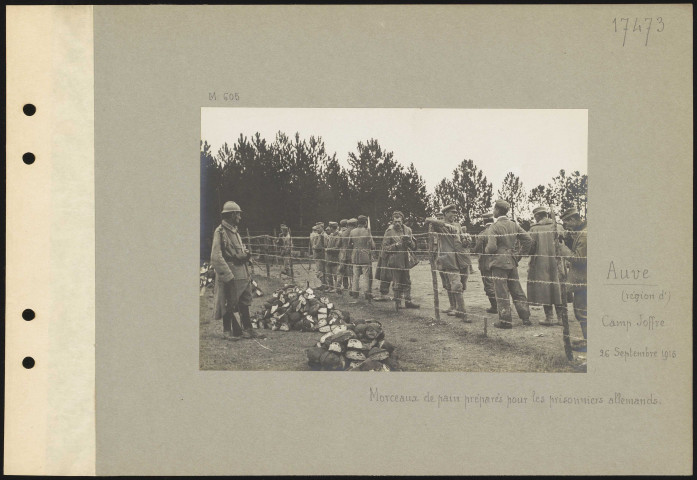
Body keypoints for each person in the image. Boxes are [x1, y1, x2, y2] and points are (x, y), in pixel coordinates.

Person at [210, 201, 262, 340]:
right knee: (229, 301)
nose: (240, 217)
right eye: (238, 214)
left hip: (243, 273)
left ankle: (248, 329)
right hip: (231, 273)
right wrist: (227, 275)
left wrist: (245, 254)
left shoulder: (234, 230)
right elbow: (215, 256)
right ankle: (227, 331)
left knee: (244, 301)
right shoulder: (220, 231)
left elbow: (238, 250)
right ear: (232, 214)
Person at [485, 199, 532, 329]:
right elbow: (528, 239)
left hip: (499, 263)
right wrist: (519, 255)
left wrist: (486, 251)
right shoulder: (514, 225)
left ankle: (505, 321)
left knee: (501, 292)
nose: (493, 211)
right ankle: (526, 317)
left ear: (498, 210)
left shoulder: (494, 227)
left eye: (494, 209)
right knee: (517, 290)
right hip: (511, 261)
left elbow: (491, 247)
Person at [425, 204, 469, 321]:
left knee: (460, 283)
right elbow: (428, 220)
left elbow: (460, 240)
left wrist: (465, 241)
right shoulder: (441, 226)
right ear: (445, 214)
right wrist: (446, 225)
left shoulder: (458, 225)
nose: (454, 215)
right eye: (452, 213)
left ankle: (456, 307)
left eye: (455, 213)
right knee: (453, 284)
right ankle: (459, 310)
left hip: (460, 258)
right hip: (447, 258)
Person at [527, 206, 564, 326]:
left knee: (545, 288)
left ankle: (549, 317)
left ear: (537, 216)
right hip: (557, 262)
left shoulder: (534, 229)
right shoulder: (558, 226)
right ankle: (561, 318)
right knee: (558, 287)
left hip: (541, 263)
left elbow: (530, 248)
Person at [558, 207, 587, 352]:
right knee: (582, 311)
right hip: (584, 280)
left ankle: (590, 343)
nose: (566, 226)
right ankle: (588, 340)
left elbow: (580, 259)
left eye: (567, 223)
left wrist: (564, 250)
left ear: (574, 219)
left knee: (582, 311)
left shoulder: (585, 235)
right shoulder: (581, 232)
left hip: (585, 281)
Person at [378, 210, 420, 309]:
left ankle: (408, 301)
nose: (397, 223)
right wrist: (397, 245)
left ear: (402, 221)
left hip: (405, 260)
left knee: (407, 281)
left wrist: (409, 242)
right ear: (392, 221)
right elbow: (385, 248)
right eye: (395, 221)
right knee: (396, 283)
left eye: (399, 221)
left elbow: (414, 247)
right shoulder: (389, 231)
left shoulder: (408, 230)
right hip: (394, 260)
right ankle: (398, 303)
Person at [473, 212, 497, 313]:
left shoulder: (483, 234)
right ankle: (503, 303)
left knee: (489, 285)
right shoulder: (498, 231)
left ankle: (495, 306)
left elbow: (476, 249)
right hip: (498, 261)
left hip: (486, 263)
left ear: (484, 221)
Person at [349, 215, 375, 300]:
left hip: (355, 255)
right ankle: (367, 293)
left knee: (355, 276)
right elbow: (373, 245)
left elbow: (350, 244)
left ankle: (355, 293)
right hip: (365, 256)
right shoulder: (367, 231)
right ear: (365, 223)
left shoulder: (352, 231)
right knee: (366, 276)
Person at [324, 221, 341, 292]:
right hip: (328, 258)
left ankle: (336, 288)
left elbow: (337, 248)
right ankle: (330, 287)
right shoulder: (331, 235)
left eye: (330, 227)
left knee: (335, 274)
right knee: (328, 274)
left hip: (334, 258)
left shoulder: (338, 236)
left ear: (332, 228)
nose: (328, 228)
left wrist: (328, 249)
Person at [337, 218, 353, 293]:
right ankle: (351, 286)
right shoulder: (352, 232)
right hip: (351, 254)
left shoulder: (341, 233)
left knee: (341, 271)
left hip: (342, 254)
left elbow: (338, 244)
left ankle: (338, 286)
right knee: (351, 271)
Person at [310, 222, 327, 290]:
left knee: (321, 270)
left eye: (318, 228)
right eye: (316, 228)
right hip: (318, 255)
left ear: (322, 227)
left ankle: (323, 285)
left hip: (321, 255)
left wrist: (314, 246)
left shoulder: (323, 235)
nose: (317, 230)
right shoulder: (318, 235)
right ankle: (322, 284)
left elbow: (319, 246)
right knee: (320, 270)